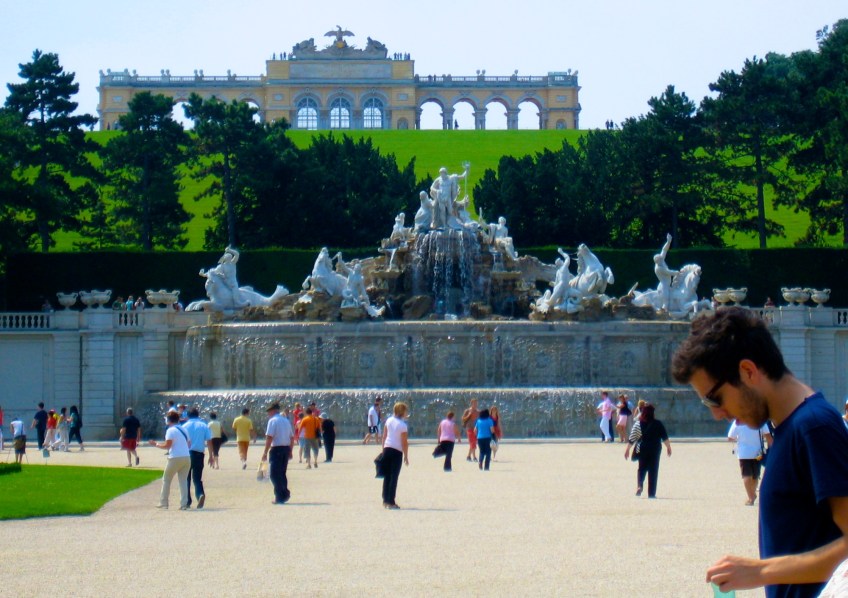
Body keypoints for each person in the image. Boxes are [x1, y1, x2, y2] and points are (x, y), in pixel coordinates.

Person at [671, 306, 848, 597]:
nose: (717, 414)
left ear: (748, 371)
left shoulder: (815, 426)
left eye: (714, 399)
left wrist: (760, 571)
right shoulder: (791, 427)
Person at [624, 403, 671, 498]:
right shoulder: (658, 424)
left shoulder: (638, 424)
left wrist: (627, 449)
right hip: (655, 449)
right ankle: (651, 493)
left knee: (641, 468)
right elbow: (664, 437)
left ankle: (640, 485)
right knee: (653, 470)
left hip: (642, 448)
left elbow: (632, 438)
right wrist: (668, 447)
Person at [148, 411, 191, 510]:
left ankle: (164, 502)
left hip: (175, 457)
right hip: (186, 457)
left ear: (168, 420)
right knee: (183, 481)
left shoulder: (170, 430)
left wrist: (156, 444)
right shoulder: (184, 429)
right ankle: (184, 504)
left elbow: (167, 445)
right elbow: (189, 444)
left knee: (166, 479)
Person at [727, 419, 772, 506]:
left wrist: (740, 437)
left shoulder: (738, 422)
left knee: (746, 475)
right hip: (758, 453)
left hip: (744, 453)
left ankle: (751, 497)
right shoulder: (760, 421)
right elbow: (769, 438)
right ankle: (752, 494)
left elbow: (730, 437)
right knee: (755, 475)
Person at [261, 402, 294, 505]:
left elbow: (269, 437)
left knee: (274, 474)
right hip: (285, 449)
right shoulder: (286, 420)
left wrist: (265, 452)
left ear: (273, 411)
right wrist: (290, 450)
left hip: (277, 449)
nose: (268, 414)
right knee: (282, 473)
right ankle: (284, 494)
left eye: (269, 412)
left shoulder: (273, 421)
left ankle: (280, 496)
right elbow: (292, 437)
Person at [381, 402, 409, 509]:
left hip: (387, 448)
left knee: (387, 475)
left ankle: (385, 500)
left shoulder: (389, 420)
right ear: (402, 412)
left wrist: (383, 449)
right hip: (396, 451)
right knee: (394, 476)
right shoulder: (403, 425)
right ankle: (391, 501)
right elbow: (404, 442)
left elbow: (384, 436)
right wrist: (406, 455)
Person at [182, 408, 212, 509]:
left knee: (186, 478)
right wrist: (211, 456)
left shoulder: (184, 426)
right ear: (198, 415)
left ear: (188, 416)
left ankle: (187, 501)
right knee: (197, 478)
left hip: (187, 454)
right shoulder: (203, 425)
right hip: (199, 454)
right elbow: (209, 441)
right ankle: (200, 494)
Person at [653, 233, 679, 312]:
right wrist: (677, 272)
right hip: (664, 283)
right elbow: (669, 272)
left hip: (667, 282)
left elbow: (664, 250)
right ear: (657, 261)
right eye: (660, 259)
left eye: (661, 258)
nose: (662, 259)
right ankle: (665, 306)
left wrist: (668, 242)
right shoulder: (658, 268)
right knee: (666, 293)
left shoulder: (661, 260)